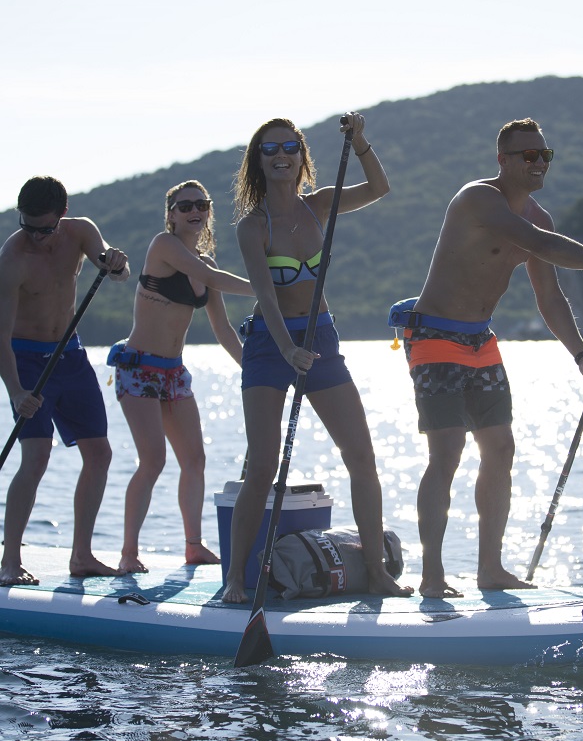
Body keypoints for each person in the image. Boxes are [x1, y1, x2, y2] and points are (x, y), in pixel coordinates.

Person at [395, 118, 583, 599]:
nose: (537, 163)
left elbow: (550, 298)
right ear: (502, 161)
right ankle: (432, 575)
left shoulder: (542, 217)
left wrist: (581, 357)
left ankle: (489, 569)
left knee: (501, 451)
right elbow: (539, 245)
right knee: (446, 454)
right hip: (432, 337)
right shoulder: (478, 199)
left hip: (480, 341)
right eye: (527, 155)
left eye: (544, 155)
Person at [221, 112, 413, 603]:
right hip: (270, 344)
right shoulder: (252, 227)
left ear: (302, 157)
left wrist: (362, 141)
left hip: (321, 339)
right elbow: (264, 293)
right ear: (258, 162)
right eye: (271, 149)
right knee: (262, 465)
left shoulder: (320, 206)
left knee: (362, 457)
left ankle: (376, 570)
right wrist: (287, 348)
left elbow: (379, 187)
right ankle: (234, 582)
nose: (281, 155)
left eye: (290, 147)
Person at [110, 179, 255, 574]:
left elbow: (223, 330)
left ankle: (194, 546)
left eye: (202, 204)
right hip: (138, 369)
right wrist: (269, 288)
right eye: (185, 205)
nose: (195, 210)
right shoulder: (163, 246)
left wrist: (254, 372)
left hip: (174, 374)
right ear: (171, 214)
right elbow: (219, 280)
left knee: (195, 459)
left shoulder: (205, 266)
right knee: (153, 459)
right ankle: (128, 553)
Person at [0, 175, 130, 586]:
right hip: (25, 359)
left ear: (64, 213)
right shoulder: (12, 258)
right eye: (27, 226)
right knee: (36, 457)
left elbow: (115, 269)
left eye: (45, 228)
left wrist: (115, 262)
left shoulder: (82, 232)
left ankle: (82, 555)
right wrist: (17, 391)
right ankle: (9, 561)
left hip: (69, 356)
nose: (36, 237)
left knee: (100, 454)